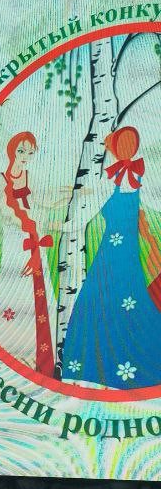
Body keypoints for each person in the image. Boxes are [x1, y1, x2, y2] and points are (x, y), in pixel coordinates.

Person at [61, 124, 161, 389]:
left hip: (123, 247)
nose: (127, 148)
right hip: (114, 245)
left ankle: (125, 362)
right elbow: (97, 205)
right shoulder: (115, 178)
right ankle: (92, 365)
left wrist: (147, 235)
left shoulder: (130, 176)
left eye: (130, 143)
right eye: (123, 144)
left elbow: (142, 210)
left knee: (121, 295)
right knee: (103, 295)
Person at [0, 131, 55, 376]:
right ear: (11, 150)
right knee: (14, 286)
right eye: (21, 151)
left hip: (33, 236)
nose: (25, 156)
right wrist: (27, 224)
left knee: (41, 291)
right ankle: (9, 349)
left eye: (30, 152)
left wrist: (70, 195)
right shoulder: (0, 178)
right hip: (17, 238)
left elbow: (43, 200)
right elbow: (6, 211)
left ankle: (39, 353)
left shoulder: (31, 176)